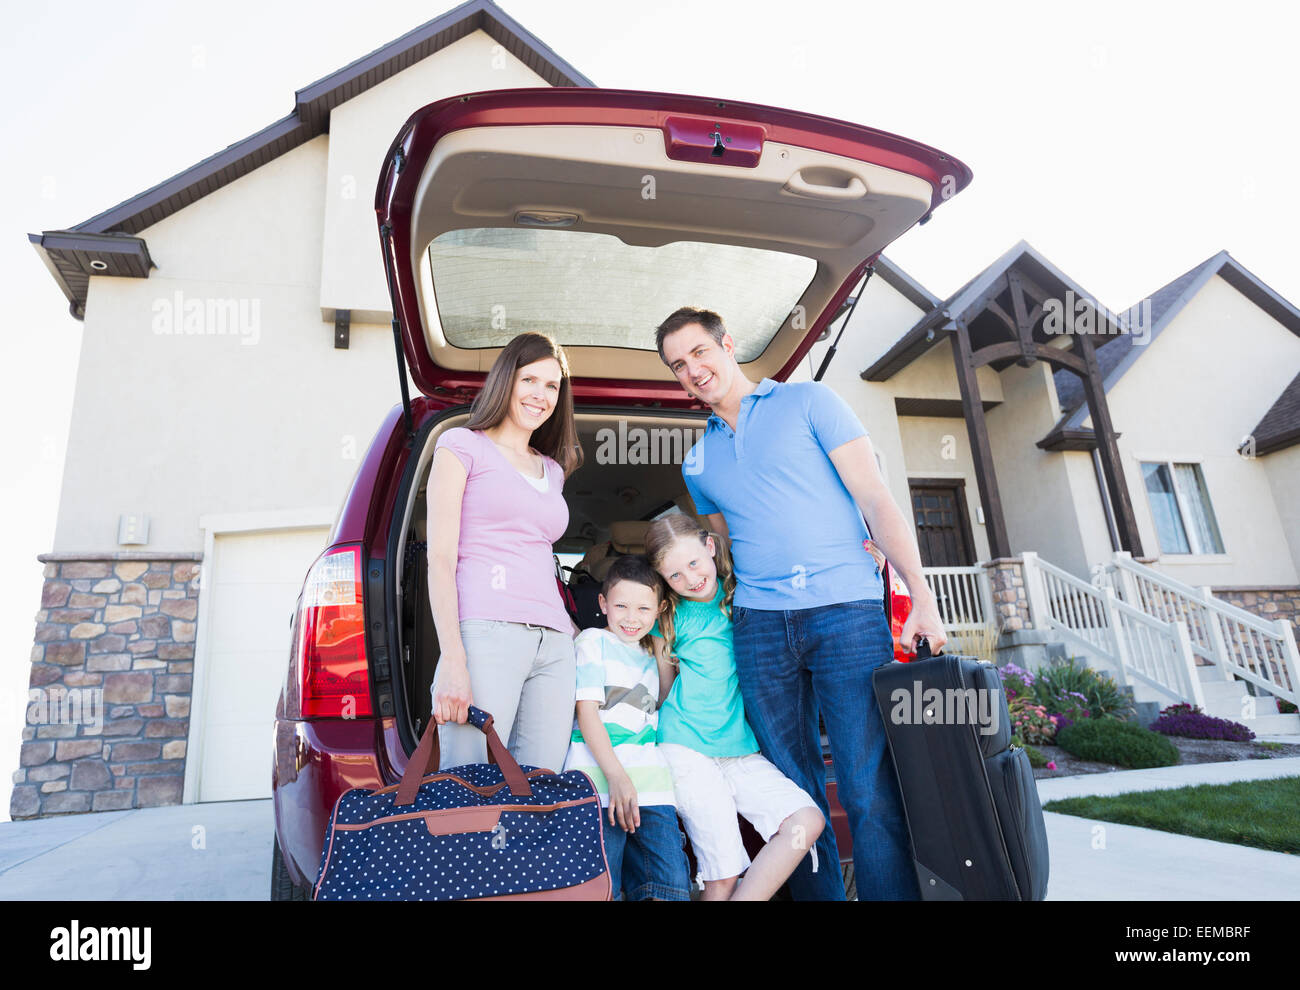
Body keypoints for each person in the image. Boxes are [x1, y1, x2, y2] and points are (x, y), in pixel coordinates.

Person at [654, 306, 948, 901]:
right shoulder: (698, 460)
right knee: (794, 790)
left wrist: (921, 595)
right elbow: (726, 551)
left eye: (700, 353)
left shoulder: (810, 401)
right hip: (759, 626)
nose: (694, 370)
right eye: (679, 365)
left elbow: (877, 498)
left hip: (846, 611)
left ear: (727, 345)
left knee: (866, 785)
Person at [643, 512, 825, 901]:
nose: (690, 579)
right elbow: (663, 686)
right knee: (723, 875)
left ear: (710, 547)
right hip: (685, 745)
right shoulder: (670, 616)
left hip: (739, 748)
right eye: (675, 576)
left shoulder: (745, 592)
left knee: (805, 820)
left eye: (693, 563)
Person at [426, 332, 583, 773]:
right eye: (529, 379)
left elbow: (536, 554)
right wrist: (453, 662)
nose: (541, 394)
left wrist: (573, 630)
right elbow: (440, 560)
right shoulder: (462, 446)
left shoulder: (552, 469)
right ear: (505, 380)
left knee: (541, 785)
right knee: (470, 784)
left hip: (554, 645)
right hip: (486, 633)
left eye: (552, 386)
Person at [561, 554, 692, 901]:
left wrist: (663, 648)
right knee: (602, 888)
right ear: (603, 603)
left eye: (643, 609)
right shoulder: (592, 642)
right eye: (621, 606)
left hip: (651, 784)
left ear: (660, 609)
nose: (632, 619)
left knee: (669, 886)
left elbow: (661, 701)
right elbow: (587, 713)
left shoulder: (653, 650)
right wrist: (616, 777)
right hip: (598, 782)